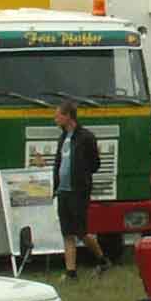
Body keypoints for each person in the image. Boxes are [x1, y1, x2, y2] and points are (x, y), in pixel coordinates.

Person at [50, 99, 109, 280]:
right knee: (67, 232)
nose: (55, 119)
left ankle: (102, 259)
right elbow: (59, 162)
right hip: (63, 190)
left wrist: (82, 175)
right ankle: (71, 272)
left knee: (81, 231)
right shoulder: (62, 138)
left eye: (58, 116)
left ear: (68, 116)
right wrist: (55, 185)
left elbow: (95, 163)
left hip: (78, 190)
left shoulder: (85, 137)